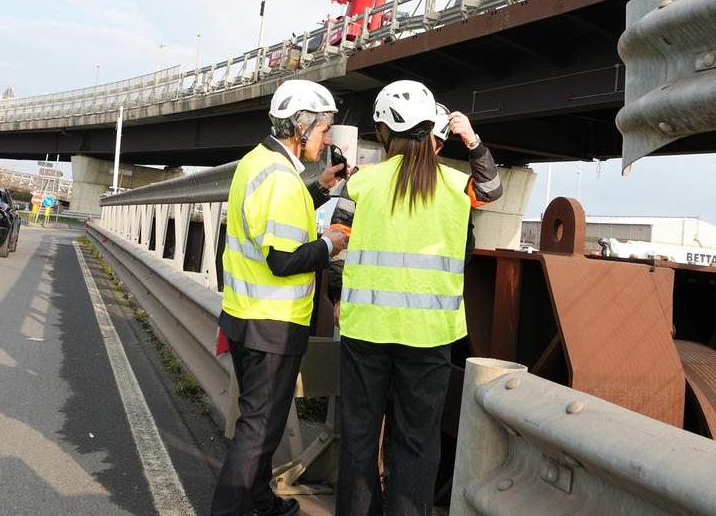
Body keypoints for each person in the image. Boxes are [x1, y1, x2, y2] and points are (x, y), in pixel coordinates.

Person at [335, 80, 503, 516]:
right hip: (429, 338)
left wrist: (337, 296)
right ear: (432, 128)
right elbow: (494, 189)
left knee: (358, 436)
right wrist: (473, 140)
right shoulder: (455, 185)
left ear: (385, 131)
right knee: (416, 441)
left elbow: (337, 245)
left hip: (365, 332)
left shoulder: (361, 183)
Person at [211, 79, 350, 516]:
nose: (328, 139)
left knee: (263, 428)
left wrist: (320, 187)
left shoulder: (259, 163)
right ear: (301, 126)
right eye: (325, 129)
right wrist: (331, 244)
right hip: (271, 324)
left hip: (244, 315)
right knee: (257, 431)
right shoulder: (283, 180)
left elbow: (271, 219)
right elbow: (285, 260)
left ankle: (259, 502)